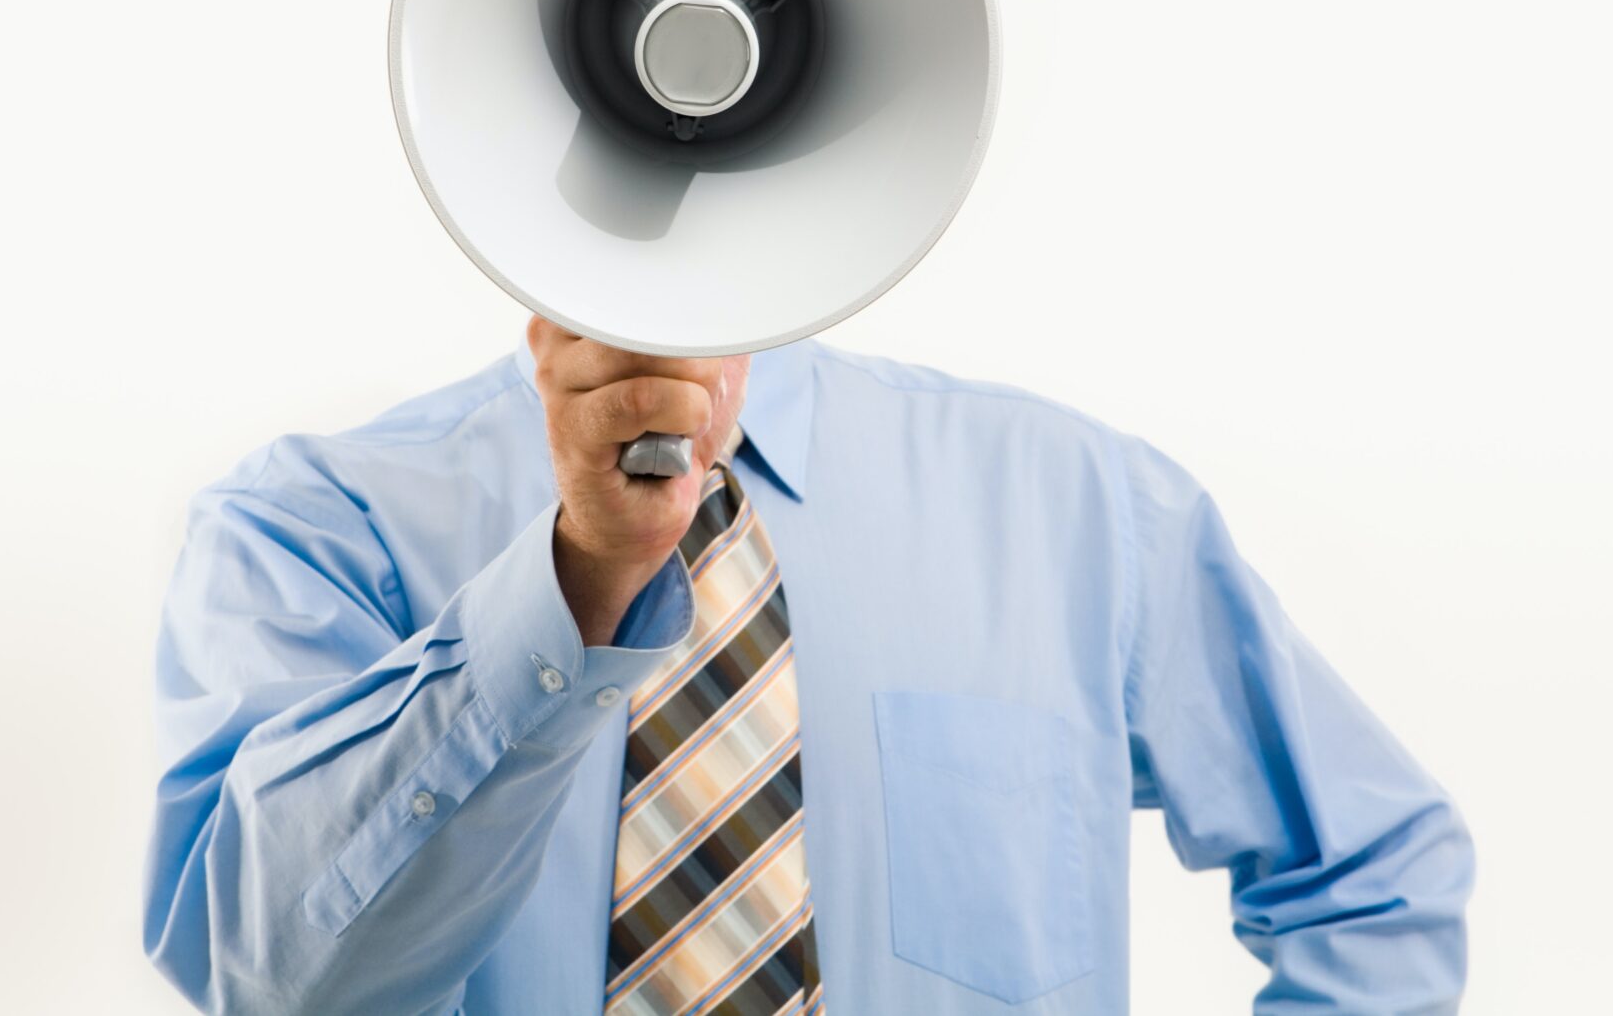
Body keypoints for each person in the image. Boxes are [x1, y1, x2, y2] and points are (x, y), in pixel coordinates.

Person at [143, 317, 1473, 1014]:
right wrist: (576, 574)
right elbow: (275, 987)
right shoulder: (313, 532)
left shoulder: (1075, 506)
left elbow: (1370, 867)